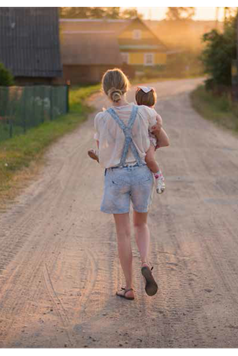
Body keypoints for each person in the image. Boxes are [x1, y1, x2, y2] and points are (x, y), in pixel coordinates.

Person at [93, 69, 170, 301]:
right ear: (127, 87)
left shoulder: (102, 118)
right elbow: (159, 133)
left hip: (117, 176)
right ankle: (146, 263)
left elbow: (102, 154)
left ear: (105, 90)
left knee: (123, 233)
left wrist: (97, 156)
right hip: (141, 174)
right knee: (140, 225)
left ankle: (128, 288)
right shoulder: (145, 112)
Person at [89, 86, 168, 194]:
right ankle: (103, 155)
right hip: (138, 138)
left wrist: (159, 124)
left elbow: (158, 119)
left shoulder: (151, 111)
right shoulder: (136, 109)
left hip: (149, 139)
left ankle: (159, 177)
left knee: (149, 159)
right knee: (121, 148)